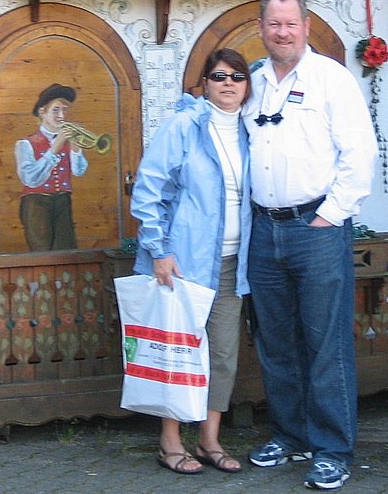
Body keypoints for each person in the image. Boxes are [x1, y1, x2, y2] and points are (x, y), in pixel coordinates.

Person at [244, 0, 376, 491]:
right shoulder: (252, 82)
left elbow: (359, 154)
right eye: (274, 24)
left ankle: (332, 449)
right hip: (264, 230)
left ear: (305, 26)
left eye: (290, 24)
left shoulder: (331, 80)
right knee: (275, 342)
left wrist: (331, 215)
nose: (282, 32)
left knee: (326, 344)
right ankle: (290, 434)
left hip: (314, 229)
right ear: (261, 28)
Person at [130, 48, 253, 476]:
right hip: (184, 262)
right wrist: (159, 250)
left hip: (232, 264)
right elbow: (148, 188)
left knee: (222, 355)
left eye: (237, 76)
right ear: (204, 83)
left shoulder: (253, 131)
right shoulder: (185, 125)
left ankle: (209, 440)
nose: (228, 83)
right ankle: (170, 441)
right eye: (219, 76)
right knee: (179, 353)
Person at [15, 83, 88, 250]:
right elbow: (31, 179)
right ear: (42, 112)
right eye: (56, 110)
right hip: (36, 204)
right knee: (41, 254)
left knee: (66, 252)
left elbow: (79, 171)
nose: (61, 116)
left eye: (64, 110)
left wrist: (76, 146)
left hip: (63, 201)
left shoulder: (67, 139)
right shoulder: (25, 144)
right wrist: (55, 147)